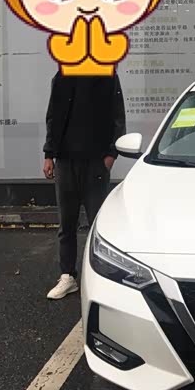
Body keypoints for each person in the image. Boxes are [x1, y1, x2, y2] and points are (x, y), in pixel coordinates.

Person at [43, 72, 126, 299]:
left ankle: (100, 278)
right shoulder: (62, 75)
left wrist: (111, 154)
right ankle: (67, 276)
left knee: (98, 225)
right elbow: (53, 116)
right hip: (65, 161)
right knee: (66, 224)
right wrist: (49, 154)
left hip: (96, 162)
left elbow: (117, 116)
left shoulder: (107, 74)